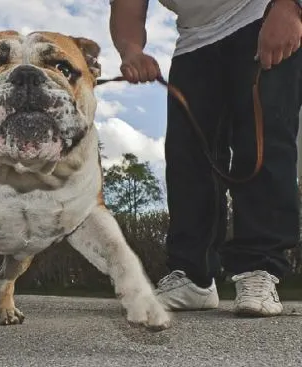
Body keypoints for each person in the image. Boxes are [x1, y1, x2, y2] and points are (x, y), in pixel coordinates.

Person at [108, 0, 302, 317]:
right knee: (188, 159)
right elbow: (128, 6)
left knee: (262, 145)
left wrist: (290, 7)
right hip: (194, 41)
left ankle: (259, 268)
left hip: (262, 15)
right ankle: (192, 276)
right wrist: (131, 50)